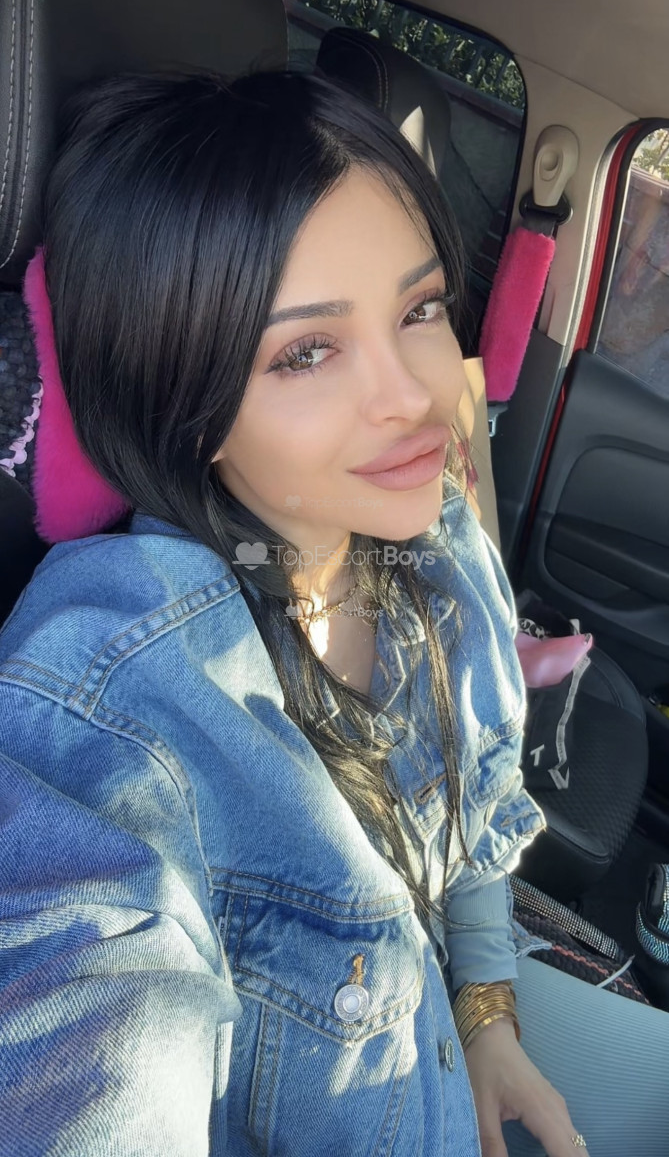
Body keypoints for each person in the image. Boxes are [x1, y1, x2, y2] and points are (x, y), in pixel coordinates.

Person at [0, 67, 666, 1157]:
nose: (414, 393)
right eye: (306, 351)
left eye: (418, 309)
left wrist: (486, 1014)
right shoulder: (110, 705)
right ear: (184, 396)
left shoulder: (430, 537)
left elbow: (473, 808)